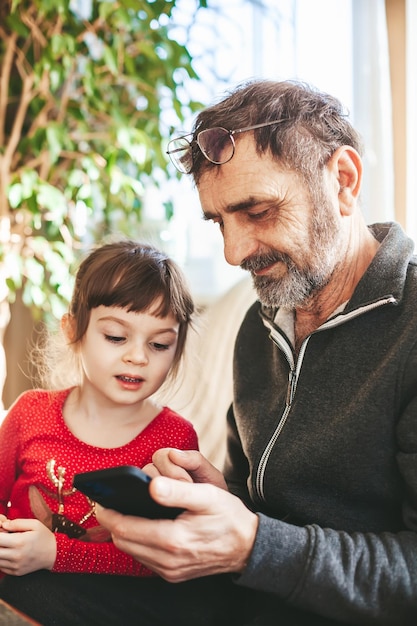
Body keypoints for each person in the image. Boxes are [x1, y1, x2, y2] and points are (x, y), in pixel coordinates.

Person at [93, 80, 417, 626]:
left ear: (343, 181)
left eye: (258, 211)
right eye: (219, 221)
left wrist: (252, 544)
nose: (234, 252)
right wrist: (221, 498)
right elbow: (259, 500)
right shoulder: (260, 323)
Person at [0, 240, 227, 624]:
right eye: (116, 337)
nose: (137, 357)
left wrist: (55, 552)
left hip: (112, 603)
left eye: (159, 344)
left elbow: (162, 559)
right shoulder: (31, 413)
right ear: (74, 329)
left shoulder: (174, 440)